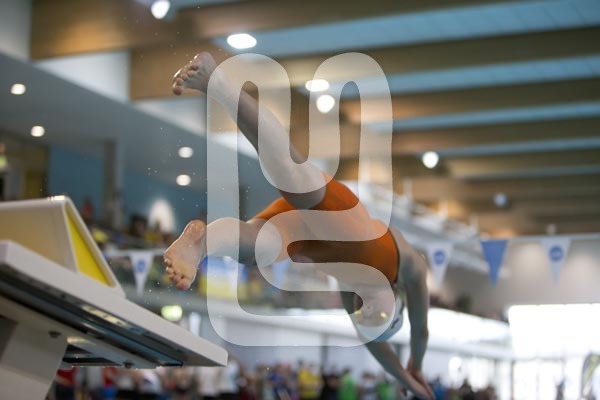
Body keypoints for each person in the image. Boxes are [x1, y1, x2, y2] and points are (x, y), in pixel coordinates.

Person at [164, 52, 433, 400]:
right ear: (398, 298)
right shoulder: (407, 265)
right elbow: (421, 330)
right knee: (287, 173)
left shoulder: (348, 296)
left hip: (306, 240)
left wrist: (404, 379)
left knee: (256, 248)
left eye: (363, 316)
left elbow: (375, 344)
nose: (364, 310)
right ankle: (219, 82)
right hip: (343, 216)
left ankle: (202, 240)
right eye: (379, 313)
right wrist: (416, 367)